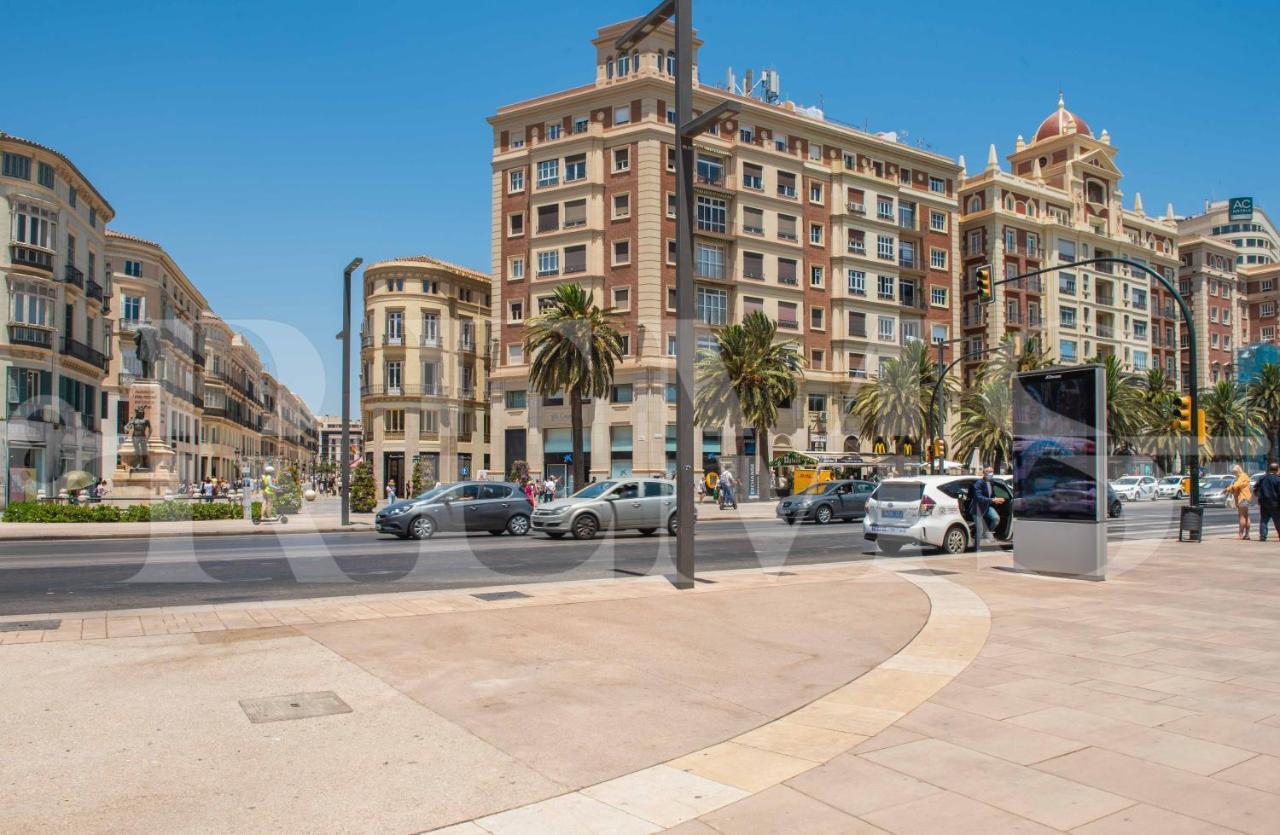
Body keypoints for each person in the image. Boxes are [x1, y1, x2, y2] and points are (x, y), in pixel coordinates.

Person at [969, 467, 1006, 550]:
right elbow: (979, 497)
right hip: (977, 509)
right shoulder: (979, 483)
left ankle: (988, 533)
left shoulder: (991, 482)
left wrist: (996, 499)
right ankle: (977, 547)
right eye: (988, 472)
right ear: (984, 473)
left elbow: (991, 495)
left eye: (992, 472)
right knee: (980, 529)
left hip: (987, 507)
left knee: (996, 518)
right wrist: (993, 500)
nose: (990, 473)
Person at [1226, 464, 1253, 540]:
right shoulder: (1244, 476)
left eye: (1235, 472)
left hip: (1242, 498)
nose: (1234, 474)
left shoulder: (1242, 477)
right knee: (1246, 516)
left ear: (1238, 470)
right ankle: (1247, 534)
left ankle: (1240, 534)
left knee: (1242, 516)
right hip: (1246, 498)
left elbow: (1236, 486)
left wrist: (1227, 489)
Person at [1256, 463, 1280, 543]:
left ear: (1270, 469)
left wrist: (1260, 499)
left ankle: (1263, 536)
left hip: (1264, 503)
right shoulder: (1278, 479)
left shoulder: (1262, 478)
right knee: (1277, 520)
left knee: (1263, 520)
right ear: (1277, 469)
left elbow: (1256, 489)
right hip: (1275, 503)